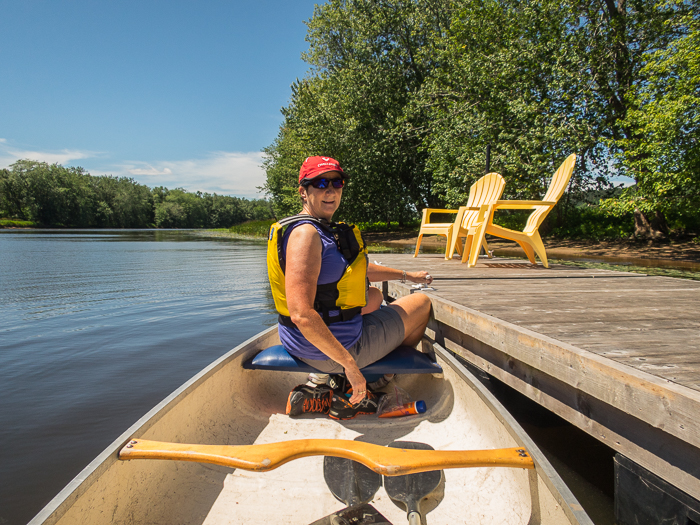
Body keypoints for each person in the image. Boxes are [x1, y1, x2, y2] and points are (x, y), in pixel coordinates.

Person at [267, 156, 433, 419]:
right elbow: (301, 314)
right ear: (303, 192)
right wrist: (350, 367)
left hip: (300, 341)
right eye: (320, 183)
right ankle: (380, 381)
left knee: (375, 296)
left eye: (337, 182)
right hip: (330, 349)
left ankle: (326, 380)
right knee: (421, 304)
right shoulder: (307, 235)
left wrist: (408, 275)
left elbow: (360, 269)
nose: (330, 190)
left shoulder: (317, 229)